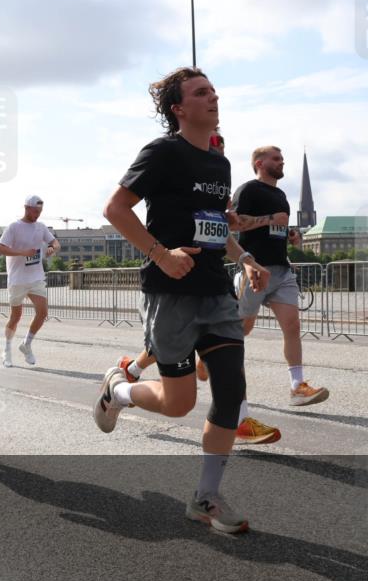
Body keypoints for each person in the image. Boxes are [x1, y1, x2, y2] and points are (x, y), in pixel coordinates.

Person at [98, 67, 271, 534]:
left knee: (231, 391)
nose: (213, 97)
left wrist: (246, 258)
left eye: (214, 89)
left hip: (215, 293)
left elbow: (214, 227)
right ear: (179, 108)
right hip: (170, 294)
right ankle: (117, 390)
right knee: (178, 405)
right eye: (201, 92)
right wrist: (161, 254)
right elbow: (115, 208)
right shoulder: (162, 152)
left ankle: (205, 498)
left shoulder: (221, 164)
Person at [232, 145, 328, 407]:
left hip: (281, 270)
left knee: (293, 326)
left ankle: (297, 387)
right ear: (260, 163)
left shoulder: (281, 195)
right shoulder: (248, 190)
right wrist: (272, 218)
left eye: (283, 158)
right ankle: (211, 359)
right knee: (242, 328)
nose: (282, 162)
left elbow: (280, 227)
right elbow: (234, 223)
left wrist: (291, 234)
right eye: (276, 159)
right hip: (255, 269)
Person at [0, 195, 59, 367]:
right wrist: (22, 252)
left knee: (43, 312)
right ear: (27, 208)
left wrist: (53, 248)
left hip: (36, 277)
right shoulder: (14, 227)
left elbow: (55, 242)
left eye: (40, 211)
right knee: (16, 316)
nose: (38, 214)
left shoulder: (41, 227)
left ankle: (26, 344)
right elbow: (0, 249)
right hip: (17, 279)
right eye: (35, 211)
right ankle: (7, 349)